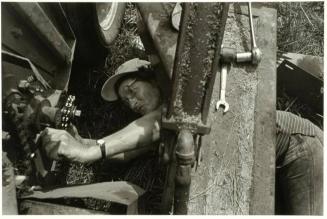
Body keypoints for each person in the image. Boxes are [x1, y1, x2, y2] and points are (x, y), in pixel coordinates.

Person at [42, 58, 323, 215]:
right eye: (125, 103)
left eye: (130, 90)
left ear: (150, 76)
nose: (130, 102)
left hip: (295, 146)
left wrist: (91, 151)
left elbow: (160, 121)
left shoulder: (181, 94)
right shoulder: (155, 129)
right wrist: (80, 145)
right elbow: (124, 152)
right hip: (263, 170)